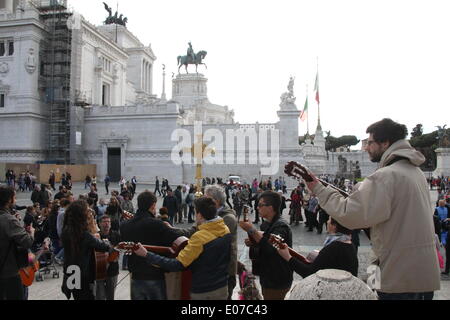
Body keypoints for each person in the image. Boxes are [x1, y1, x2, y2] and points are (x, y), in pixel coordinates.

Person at [303, 118, 440, 300]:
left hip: (397, 278)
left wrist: (318, 189)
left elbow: (350, 214)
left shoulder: (386, 176)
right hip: (420, 276)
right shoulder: (415, 173)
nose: (366, 147)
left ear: (385, 143)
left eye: (370, 142)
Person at [133, 197, 232, 300]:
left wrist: (147, 255)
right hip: (222, 287)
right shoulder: (225, 229)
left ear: (199, 215)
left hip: (204, 291)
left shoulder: (199, 238)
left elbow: (177, 264)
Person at [120, 190, 181, 300]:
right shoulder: (157, 224)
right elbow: (175, 240)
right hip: (155, 277)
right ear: (153, 205)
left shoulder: (124, 225)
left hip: (135, 277)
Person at [239, 190, 293, 300]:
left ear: (271, 207)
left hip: (276, 280)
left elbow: (271, 248)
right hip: (269, 276)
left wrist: (251, 230)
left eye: (260, 205)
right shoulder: (268, 224)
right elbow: (265, 241)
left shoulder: (280, 227)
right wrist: (254, 241)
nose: (257, 208)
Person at [60, 200, 113, 300]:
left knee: (76, 297)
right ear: (81, 216)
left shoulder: (66, 231)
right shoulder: (85, 236)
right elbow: (106, 247)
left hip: (71, 273)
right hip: (84, 276)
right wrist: (93, 225)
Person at [277, 217, 358, 278]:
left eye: (329, 220)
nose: (327, 222)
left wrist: (288, 257)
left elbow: (309, 273)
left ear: (334, 226)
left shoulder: (334, 247)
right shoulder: (349, 243)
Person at [0, 186, 34, 300]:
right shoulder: (9, 220)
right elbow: (27, 242)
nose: (15, 201)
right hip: (8, 273)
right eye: (14, 197)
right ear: (9, 200)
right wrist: (31, 232)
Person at [95, 215, 120, 300]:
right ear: (99, 224)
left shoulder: (116, 235)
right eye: (104, 222)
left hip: (112, 269)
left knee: (110, 295)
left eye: (108, 222)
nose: (107, 224)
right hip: (99, 269)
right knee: (100, 296)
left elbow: (119, 250)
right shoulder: (96, 236)